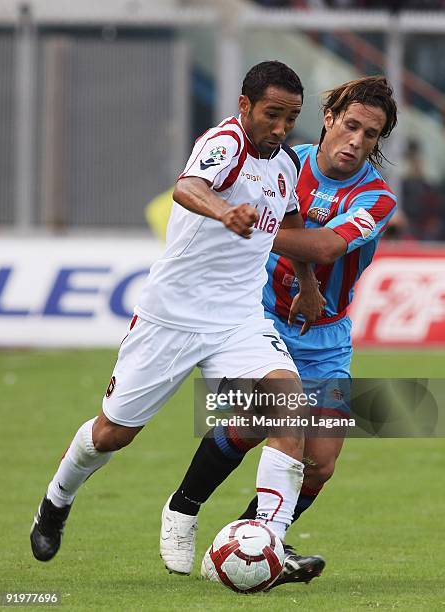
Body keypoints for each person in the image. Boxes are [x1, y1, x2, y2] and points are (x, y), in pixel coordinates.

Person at [30, 61, 326, 589]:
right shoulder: (226, 142)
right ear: (244, 107)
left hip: (237, 316)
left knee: (288, 405)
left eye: (291, 118)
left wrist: (306, 283)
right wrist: (222, 212)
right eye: (272, 115)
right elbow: (187, 187)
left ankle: (269, 544)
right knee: (112, 434)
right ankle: (56, 501)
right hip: (172, 317)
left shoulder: (283, 165)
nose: (281, 128)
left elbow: (292, 220)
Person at [162, 75, 398, 588]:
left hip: (329, 339)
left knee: (321, 463)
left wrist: (256, 229)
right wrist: (240, 223)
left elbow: (329, 247)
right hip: (262, 320)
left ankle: (254, 543)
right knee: (253, 425)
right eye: (351, 125)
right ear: (330, 119)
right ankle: (183, 510)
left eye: (372, 134)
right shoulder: (286, 162)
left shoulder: (378, 198)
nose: (357, 140)